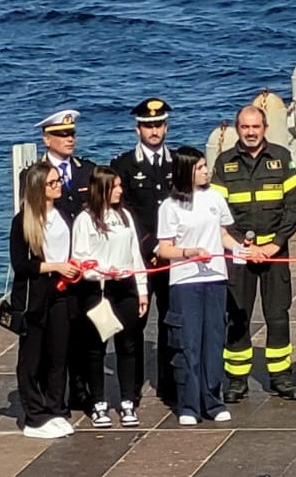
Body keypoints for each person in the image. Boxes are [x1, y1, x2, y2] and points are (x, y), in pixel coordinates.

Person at [211, 105, 296, 403]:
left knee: (278, 315)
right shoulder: (224, 163)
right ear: (237, 129)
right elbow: (218, 212)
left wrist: (274, 244)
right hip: (240, 253)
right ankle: (237, 379)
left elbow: (294, 208)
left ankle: (281, 377)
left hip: (274, 253)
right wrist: (244, 247)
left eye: (256, 127)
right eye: (244, 127)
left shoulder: (281, 158)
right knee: (238, 316)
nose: (250, 132)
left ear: (265, 128)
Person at [155, 148, 236, 427]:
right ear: (186, 171)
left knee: (214, 340)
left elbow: (223, 234)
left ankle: (213, 399)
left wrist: (243, 249)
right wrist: (188, 252)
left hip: (214, 276)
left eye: (205, 166)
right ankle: (188, 403)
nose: (206, 171)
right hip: (186, 280)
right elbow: (164, 248)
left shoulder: (215, 197)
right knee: (188, 342)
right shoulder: (170, 206)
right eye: (200, 167)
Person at [108, 98, 177, 404]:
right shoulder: (122, 165)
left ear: (166, 126)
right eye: (148, 126)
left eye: (159, 124)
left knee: (171, 321)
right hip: (138, 257)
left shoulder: (178, 163)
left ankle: (170, 383)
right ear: (138, 128)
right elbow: (124, 211)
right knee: (133, 323)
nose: (154, 130)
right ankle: (130, 388)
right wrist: (150, 246)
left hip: (172, 257)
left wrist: (170, 248)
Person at [68, 167, 148, 428]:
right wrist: (100, 272)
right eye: (114, 186)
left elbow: (135, 253)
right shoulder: (85, 219)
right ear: (101, 188)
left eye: (120, 186)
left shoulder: (124, 215)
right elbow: (79, 259)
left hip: (125, 287)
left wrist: (142, 288)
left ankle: (127, 401)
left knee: (128, 345)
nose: (120, 191)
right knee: (95, 348)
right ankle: (99, 402)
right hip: (98, 289)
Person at [10, 162, 77, 438]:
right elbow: (21, 265)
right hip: (35, 295)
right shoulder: (23, 220)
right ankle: (34, 416)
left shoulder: (63, 213)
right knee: (32, 356)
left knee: (58, 353)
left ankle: (55, 406)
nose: (58, 185)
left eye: (58, 180)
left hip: (61, 293)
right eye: (52, 182)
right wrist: (55, 266)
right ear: (39, 188)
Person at [28, 110, 96, 223]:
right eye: (63, 135)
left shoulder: (89, 170)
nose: (70, 139)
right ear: (47, 139)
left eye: (72, 134)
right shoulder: (33, 175)